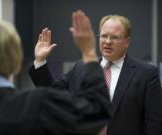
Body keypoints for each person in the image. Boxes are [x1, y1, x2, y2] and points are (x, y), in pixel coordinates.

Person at [29, 11, 162, 135]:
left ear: (127, 42)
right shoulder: (81, 67)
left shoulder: (146, 74)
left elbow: (154, 123)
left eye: (114, 37)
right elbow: (53, 95)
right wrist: (40, 61)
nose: (108, 42)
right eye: (104, 36)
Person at [0, 11, 112, 135]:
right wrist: (89, 53)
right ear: (15, 57)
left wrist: (39, 60)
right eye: (104, 36)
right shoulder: (34, 105)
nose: (108, 41)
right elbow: (93, 114)